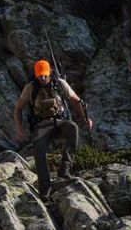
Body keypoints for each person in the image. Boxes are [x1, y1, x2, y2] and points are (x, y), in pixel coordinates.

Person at [13, 59, 93, 198]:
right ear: (36, 74)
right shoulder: (30, 88)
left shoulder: (60, 84)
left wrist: (85, 117)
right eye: (40, 75)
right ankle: (45, 186)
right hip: (42, 124)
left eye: (45, 75)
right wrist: (19, 128)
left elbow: (76, 100)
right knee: (39, 146)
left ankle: (65, 168)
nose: (43, 78)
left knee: (73, 128)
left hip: (61, 121)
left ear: (50, 72)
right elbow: (18, 108)